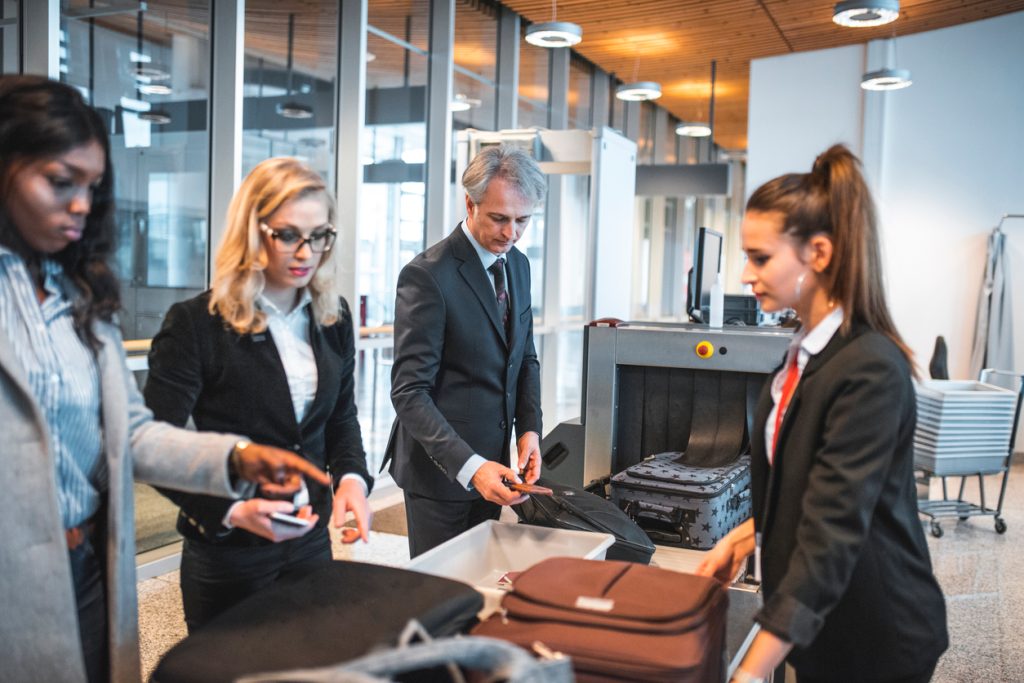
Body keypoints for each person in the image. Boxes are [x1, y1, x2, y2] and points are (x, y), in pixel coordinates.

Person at [0, 76, 330, 683]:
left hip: (93, 563)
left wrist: (239, 457)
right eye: (59, 181)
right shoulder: (195, 321)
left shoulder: (77, 294)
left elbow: (133, 433)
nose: (81, 204)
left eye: (93, 187)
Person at [696, 144, 948, 683]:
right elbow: (802, 480)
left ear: (820, 253)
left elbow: (832, 530)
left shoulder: (869, 370)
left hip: (875, 631)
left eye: (760, 258)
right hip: (820, 618)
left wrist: (749, 670)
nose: (745, 273)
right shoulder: (807, 349)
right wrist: (744, 537)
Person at [144, 157, 373, 632]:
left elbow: (341, 417)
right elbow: (151, 444)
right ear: (253, 231)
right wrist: (230, 510)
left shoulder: (334, 316)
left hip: (309, 535)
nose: (306, 252)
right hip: (230, 550)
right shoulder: (196, 323)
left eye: (320, 235)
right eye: (288, 235)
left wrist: (352, 477)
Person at [385, 144, 545, 557]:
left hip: (497, 468)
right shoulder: (427, 275)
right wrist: (471, 468)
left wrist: (529, 429)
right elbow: (409, 392)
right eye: (499, 218)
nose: (511, 233)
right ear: (470, 204)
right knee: (440, 597)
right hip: (441, 472)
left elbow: (524, 356)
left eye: (523, 220)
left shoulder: (519, 265)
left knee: (480, 588)